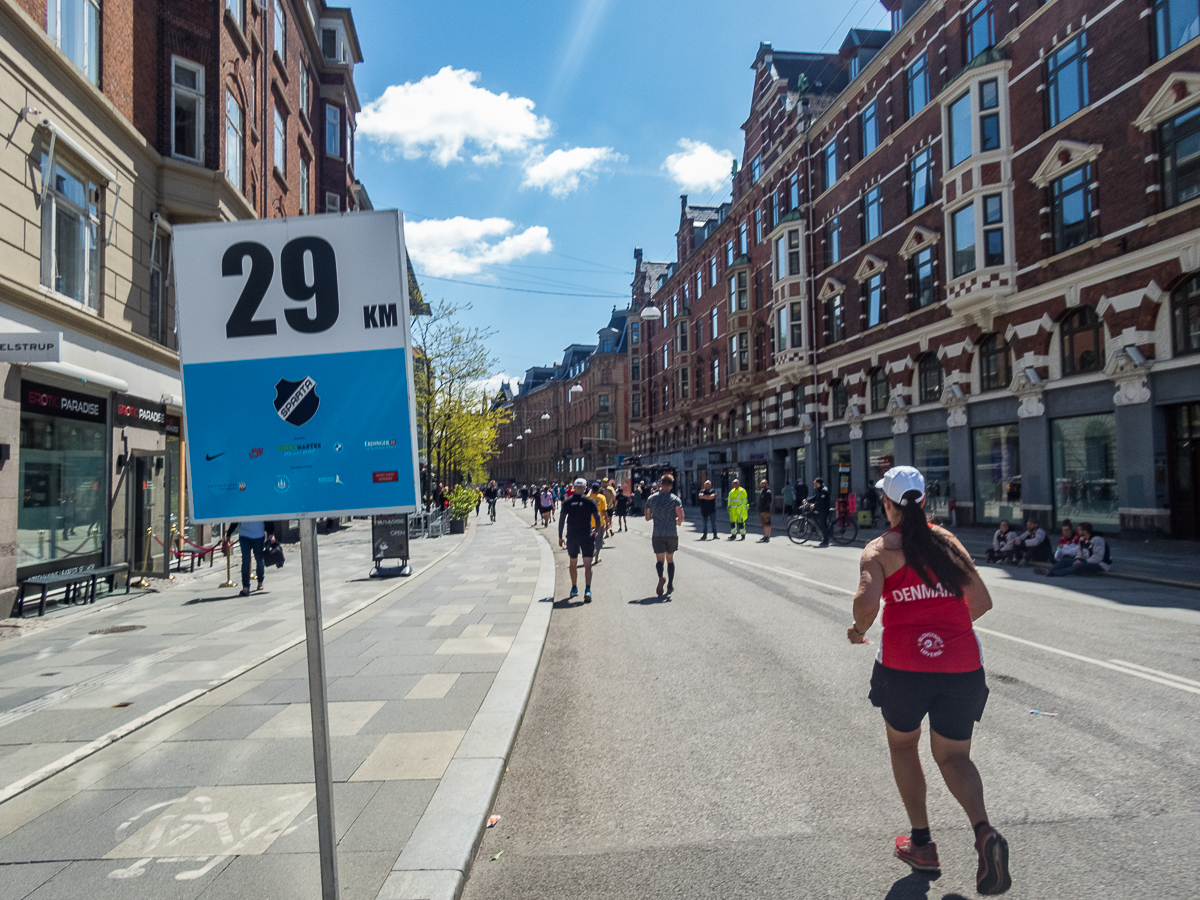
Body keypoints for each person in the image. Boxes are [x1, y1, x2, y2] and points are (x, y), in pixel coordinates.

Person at [848, 466, 1011, 895]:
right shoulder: (949, 544)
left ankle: (921, 844)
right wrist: (943, 628)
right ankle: (983, 832)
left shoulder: (880, 549)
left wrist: (860, 631)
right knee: (955, 757)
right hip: (961, 667)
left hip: (904, 668)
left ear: (887, 503)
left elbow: (866, 605)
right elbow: (982, 601)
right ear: (923, 500)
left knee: (904, 746)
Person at [559, 478, 602, 602]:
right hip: (586, 535)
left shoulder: (567, 502)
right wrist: (597, 530)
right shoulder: (590, 501)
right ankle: (588, 590)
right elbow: (597, 517)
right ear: (585, 488)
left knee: (573, 562)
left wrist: (560, 536)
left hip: (572, 535)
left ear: (574, 488)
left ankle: (574, 587)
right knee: (587, 563)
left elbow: (562, 520)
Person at [645, 474, 686, 596]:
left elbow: (647, 516)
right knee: (670, 559)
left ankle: (661, 577)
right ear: (672, 486)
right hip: (671, 533)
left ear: (660, 484)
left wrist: (653, 516)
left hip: (658, 534)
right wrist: (678, 522)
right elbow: (681, 516)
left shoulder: (651, 499)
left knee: (659, 560)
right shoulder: (675, 499)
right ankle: (670, 585)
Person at [232, 519, 269, 597]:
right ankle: (246, 586)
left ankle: (260, 580)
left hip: (258, 535)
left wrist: (271, 533)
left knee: (259, 560)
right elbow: (237, 517)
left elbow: (267, 518)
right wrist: (229, 533)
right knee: (246, 561)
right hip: (244, 535)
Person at [587, 482, 608, 564]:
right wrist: (607, 521)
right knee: (599, 540)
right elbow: (604, 511)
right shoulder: (602, 498)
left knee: (591, 540)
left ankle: (591, 553)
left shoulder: (588, 498)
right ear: (599, 489)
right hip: (600, 523)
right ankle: (597, 556)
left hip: (589, 522)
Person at [812, 477, 832, 546]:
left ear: (818, 483)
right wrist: (806, 500)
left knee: (823, 524)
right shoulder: (819, 489)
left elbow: (821, 501)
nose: (813, 485)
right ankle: (824, 534)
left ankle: (826, 540)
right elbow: (815, 497)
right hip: (820, 509)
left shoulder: (824, 490)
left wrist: (814, 505)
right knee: (820, 522)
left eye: (814, 483)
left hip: (824, 509)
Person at [756, 479, 773, 543]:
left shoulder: (767, 492)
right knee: (765, 524)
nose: (762, 484)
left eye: (764, 483)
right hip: (762, 510)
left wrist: (764, 509)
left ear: (767, 484)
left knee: (767, 524)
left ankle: (767, 536)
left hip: (765, 510)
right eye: (762, 483)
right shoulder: (762, 491)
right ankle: (766, 536)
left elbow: (768, 502)